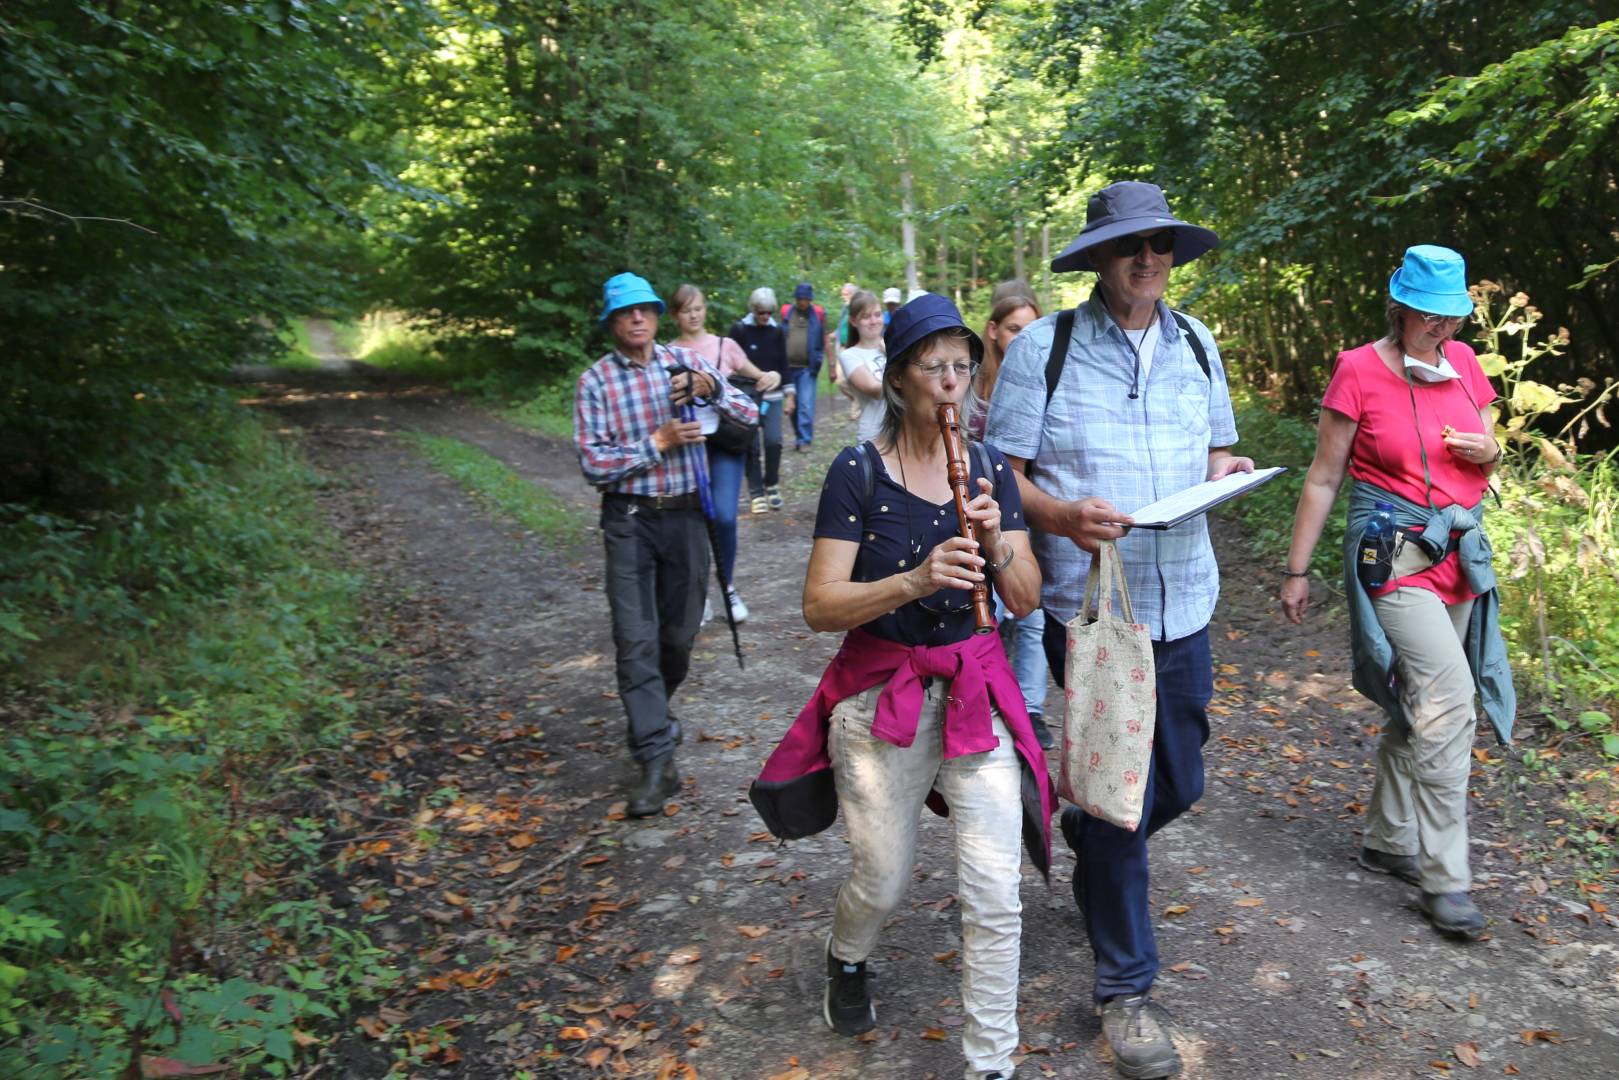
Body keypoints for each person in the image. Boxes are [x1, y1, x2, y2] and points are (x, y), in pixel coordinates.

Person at [983, 181, 1250, 1080]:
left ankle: (1088, 831)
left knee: (1178, 777)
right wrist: (1057, 518)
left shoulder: (1198, 344)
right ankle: (1125, 990)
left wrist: (1228, 470)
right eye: (1130, 246)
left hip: (1187, 596)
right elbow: (1000, 476)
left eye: (1160, 245)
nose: (1147, 260)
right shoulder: (1043, 351)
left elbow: (1216, 446)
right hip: (1091, 611)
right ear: (1099, 257)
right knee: (1125, 797)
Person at [750, 293, 1053, 1080]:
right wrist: (916, 579)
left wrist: (994, 540)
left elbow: (1024, 599)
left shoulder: (986, 467)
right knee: (881, 883)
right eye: (934, 366)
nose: (952, 381)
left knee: (993, 891)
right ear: (898, 378)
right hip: (881, 695)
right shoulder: (858, 473)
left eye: (963, 365)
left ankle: (990, 1063)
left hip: (974, 692)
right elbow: (820, 606)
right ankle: (846, 955)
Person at [1280, 244, 1514, 942]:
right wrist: (1295, 571)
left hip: (1459, 554)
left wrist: (1490, 453)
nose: (1442, 330)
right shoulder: (1356, 370)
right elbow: (1324, 477)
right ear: (1401, 307)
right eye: (1431, 317)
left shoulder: (1465, 364)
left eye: (1452, 318)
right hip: (1395, 560)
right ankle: (1445, 878)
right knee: (1448, 698)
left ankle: (1386, 837)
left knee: (1423, 707)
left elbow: (1490, 443)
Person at [574, 272, 758, 817]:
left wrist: (713, 389)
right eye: (625, 312)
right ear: (611, 321)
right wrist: (656, 442)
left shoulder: (685, 366)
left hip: (685, 519)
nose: (636, 319)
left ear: (657, 317)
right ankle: (657, 758)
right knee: (635, 638)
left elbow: (747, 416)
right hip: (628, 519)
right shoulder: (596, 382)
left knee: (676, 637)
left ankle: (655, 715)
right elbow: (593, 462)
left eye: (645, 310)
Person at [670, 284, 782, 623]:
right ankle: (699, 593)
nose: (694, 315)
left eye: (699, 307)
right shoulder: (666, 353)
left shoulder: (725, 346)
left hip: (726, 444)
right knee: (691, 520)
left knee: (724, 516)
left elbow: (760, 376)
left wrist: (774, 376)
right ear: (675, 315)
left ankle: (727, 586)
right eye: (686, 309)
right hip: (684, 446)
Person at [974, 289, 1051, 749]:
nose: (1023, 338)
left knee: (1030, 606)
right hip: (980, 507)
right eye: (1015, 329)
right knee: (988, 604)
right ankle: (987, 691)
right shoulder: (973, 384)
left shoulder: (1042, 375)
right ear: (994, 331)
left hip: (1027, 505)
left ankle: (1032, 706)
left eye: (1030, 329)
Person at [730, 288, 789, 513]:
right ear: (754, 310)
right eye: (761, 312)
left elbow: (784, 363)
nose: (765, 316)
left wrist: (790, 393)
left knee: (774, 441)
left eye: (768, 312)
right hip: (746, 397)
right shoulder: (739, 330)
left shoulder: (777, 331)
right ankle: (756, 492)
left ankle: (772, 483)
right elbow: (732, 362)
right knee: (751, 445)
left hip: (773, 396)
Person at [836, 289, 887, 443]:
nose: (873, 321)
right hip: (875, 437)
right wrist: (895, 357)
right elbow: (874, 389)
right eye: (866, 317)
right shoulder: (849, 355)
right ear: (853, 321)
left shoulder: (896, 345)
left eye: (877, 315)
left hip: (908, 433)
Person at [780, 282, 827, 451]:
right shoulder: (787, 314)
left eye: (806, 299)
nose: (802, 302)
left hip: (808, 368)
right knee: (794, 406)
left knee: (806, 404)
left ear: (810, 300)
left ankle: (805, 440)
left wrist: (825, 362)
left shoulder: (817, 316)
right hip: (788, 368)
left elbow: (824, 340)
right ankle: (799, 436)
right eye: (800, 298)